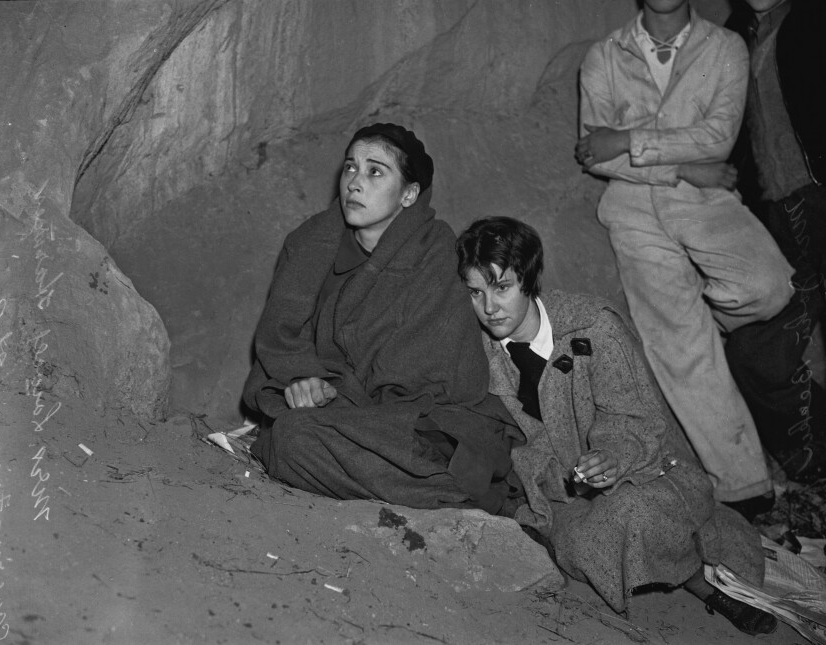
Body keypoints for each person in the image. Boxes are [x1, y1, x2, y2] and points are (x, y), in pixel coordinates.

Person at [455, 216, 777, 635]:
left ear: (530, 280)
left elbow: (635, 415)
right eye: (476, 293)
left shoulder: (593, 327)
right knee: (575, 542)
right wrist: (558, 480)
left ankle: (704, 585)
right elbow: (514, 442)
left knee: (636, 513)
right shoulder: (482, 354)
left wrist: (610, 456)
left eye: (502, 288)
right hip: (561, 493)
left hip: (643, 471)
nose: (490, 308)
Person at [574, 0, 795, 516]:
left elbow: (718, 140)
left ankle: (697, 322)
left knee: (769, 286)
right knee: (678, 339)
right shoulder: (602, 55)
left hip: (708, 200)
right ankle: (743, 486)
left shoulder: (725, 48)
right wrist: (680, 169)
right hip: (631, 208)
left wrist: (629, 140)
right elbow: (593, 156)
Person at [241, 123, 513, 512]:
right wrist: (304, 379)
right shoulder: (309, 246)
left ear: (409, 194)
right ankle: (442, 495)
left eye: (375, 171)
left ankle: (451, 492)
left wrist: (339, 395)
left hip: (414, 423)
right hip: (335, 421)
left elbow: (445, 383)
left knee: (295, 441)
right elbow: (280, 342)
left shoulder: (436, 258)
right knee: (289, 438)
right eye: (350, 167)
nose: (354, 182)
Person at [723, 0, 826, 484]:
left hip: (819, 193)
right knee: (757, 347)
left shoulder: (813, 16)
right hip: (775, 213)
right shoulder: (734, 35)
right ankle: (811, 456)